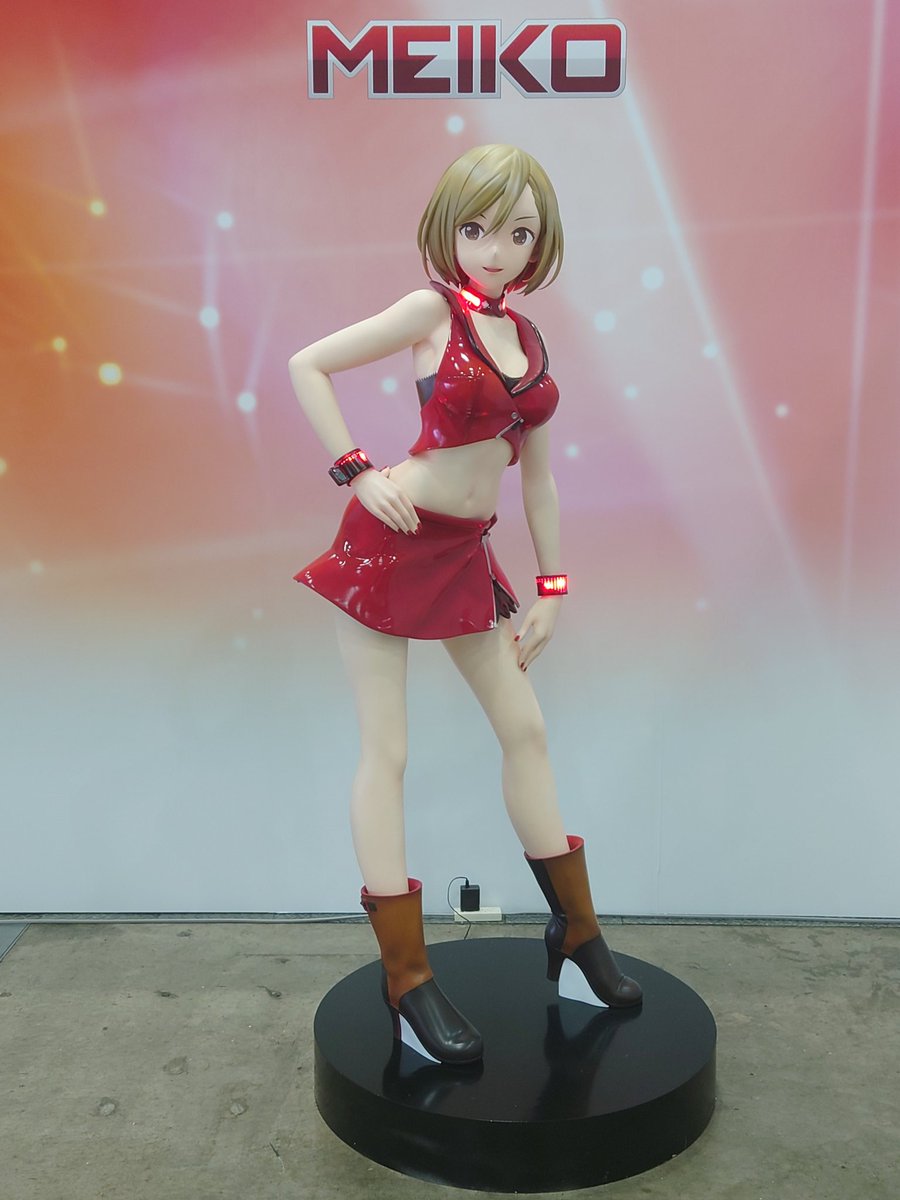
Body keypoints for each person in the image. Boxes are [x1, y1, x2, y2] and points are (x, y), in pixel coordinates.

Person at [289, 144, 641, 1067]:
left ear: (540, 241)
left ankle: (576, 935)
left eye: (517, 233)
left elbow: (539, 483)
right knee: (389, 751)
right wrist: (357, 472)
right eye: (477, 229)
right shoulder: (429, 312)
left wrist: (553, 587)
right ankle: (407, 978)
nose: (494, 250)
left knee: (525, 731)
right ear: (449, 230)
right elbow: (307, 364)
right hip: (387, 544)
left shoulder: (529, 341)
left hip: (465, 555)